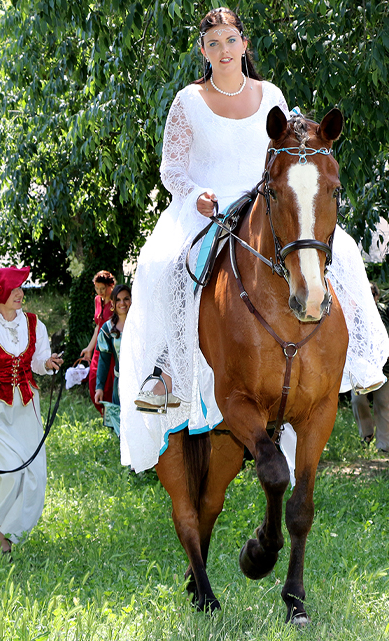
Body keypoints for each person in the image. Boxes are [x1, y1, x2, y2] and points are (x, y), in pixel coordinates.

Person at [119, 7, 389, 473]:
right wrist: (192, 195)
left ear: (244, 44)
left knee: (339, 249)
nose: (223, 50)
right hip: (210, 205)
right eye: (213, 44)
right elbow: (171, 169)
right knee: (161, 264)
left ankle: (355, 359)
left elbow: (290, 152)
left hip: (267, 200)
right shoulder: (187, 100)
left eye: (230, 40)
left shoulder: (273, 96)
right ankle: (166, 372)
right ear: (203, 52)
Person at [0, 267, 63, 555]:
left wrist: (48, 363)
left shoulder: (34, 324)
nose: (21, 293)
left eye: (21, 288)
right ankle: (1, 534)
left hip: (26, 409)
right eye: (15, 289)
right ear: (0, 294)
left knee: (34, 474)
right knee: (7, 474)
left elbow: (38, 362)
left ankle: (10, 530)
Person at [351, 283, 389, 452]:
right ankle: (366, 435)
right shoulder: (354, 313)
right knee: (357, 400)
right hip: (361, 369)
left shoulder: (384, 311)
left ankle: (384, 445)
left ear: (376, 295)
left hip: (384, 368)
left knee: (383, 403)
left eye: (371, 292)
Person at [80, 270, 116, 413]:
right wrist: (89, 348)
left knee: (110, 382)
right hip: (98, 346)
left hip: (112, 346)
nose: (100, 292)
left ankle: (113, 415)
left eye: (103, 288)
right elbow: (98, 326)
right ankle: (104, 413)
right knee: (94, 380)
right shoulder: (97, 300)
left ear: (111, 285)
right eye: (97, 288)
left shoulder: (116, 300)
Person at [94, 285, 132, 408]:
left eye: (126, 299)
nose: (122, 303)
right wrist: (99, 388)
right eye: (118, 300)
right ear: (113, 303)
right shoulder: (107, 329)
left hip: (141, 382)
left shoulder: (141, 326)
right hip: (120, 383)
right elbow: (103, 360)